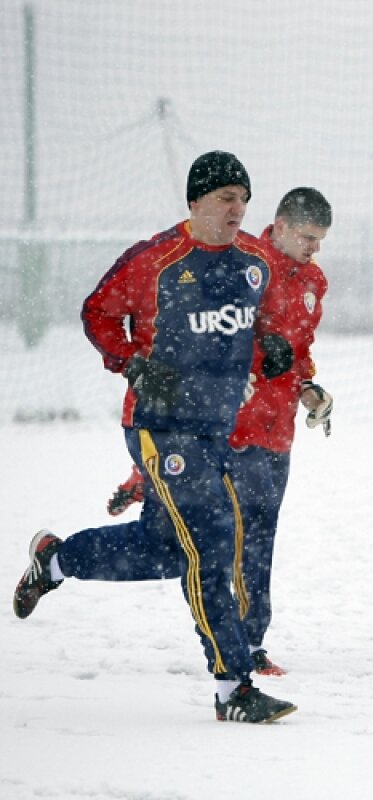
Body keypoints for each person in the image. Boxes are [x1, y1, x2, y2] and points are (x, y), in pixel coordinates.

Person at [11, 151, 297, 724]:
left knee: (167, 551)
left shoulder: (255, 262)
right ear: (195, 202)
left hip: (216, 427)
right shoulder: (156, 259)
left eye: (244, 199)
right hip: (160, 426)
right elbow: (97, 312)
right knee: (212, 542)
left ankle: (57, 559)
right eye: (226, 198)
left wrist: (272, 343)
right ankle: (233, 688)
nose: (237, 209)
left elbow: (266, 315)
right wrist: (132, 363)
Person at [102, 187, 334, 677]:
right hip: (229, 427)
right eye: (308, 237)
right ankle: (244, 649)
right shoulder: (241, 262)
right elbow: (207, 336)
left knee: (252, 537)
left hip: (277, 430)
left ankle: (137, 492)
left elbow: (298, 349)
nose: (315, 248)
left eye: (320, 240)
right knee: (227, 543)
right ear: (282, 226)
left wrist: (307, 387)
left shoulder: (314, 280)